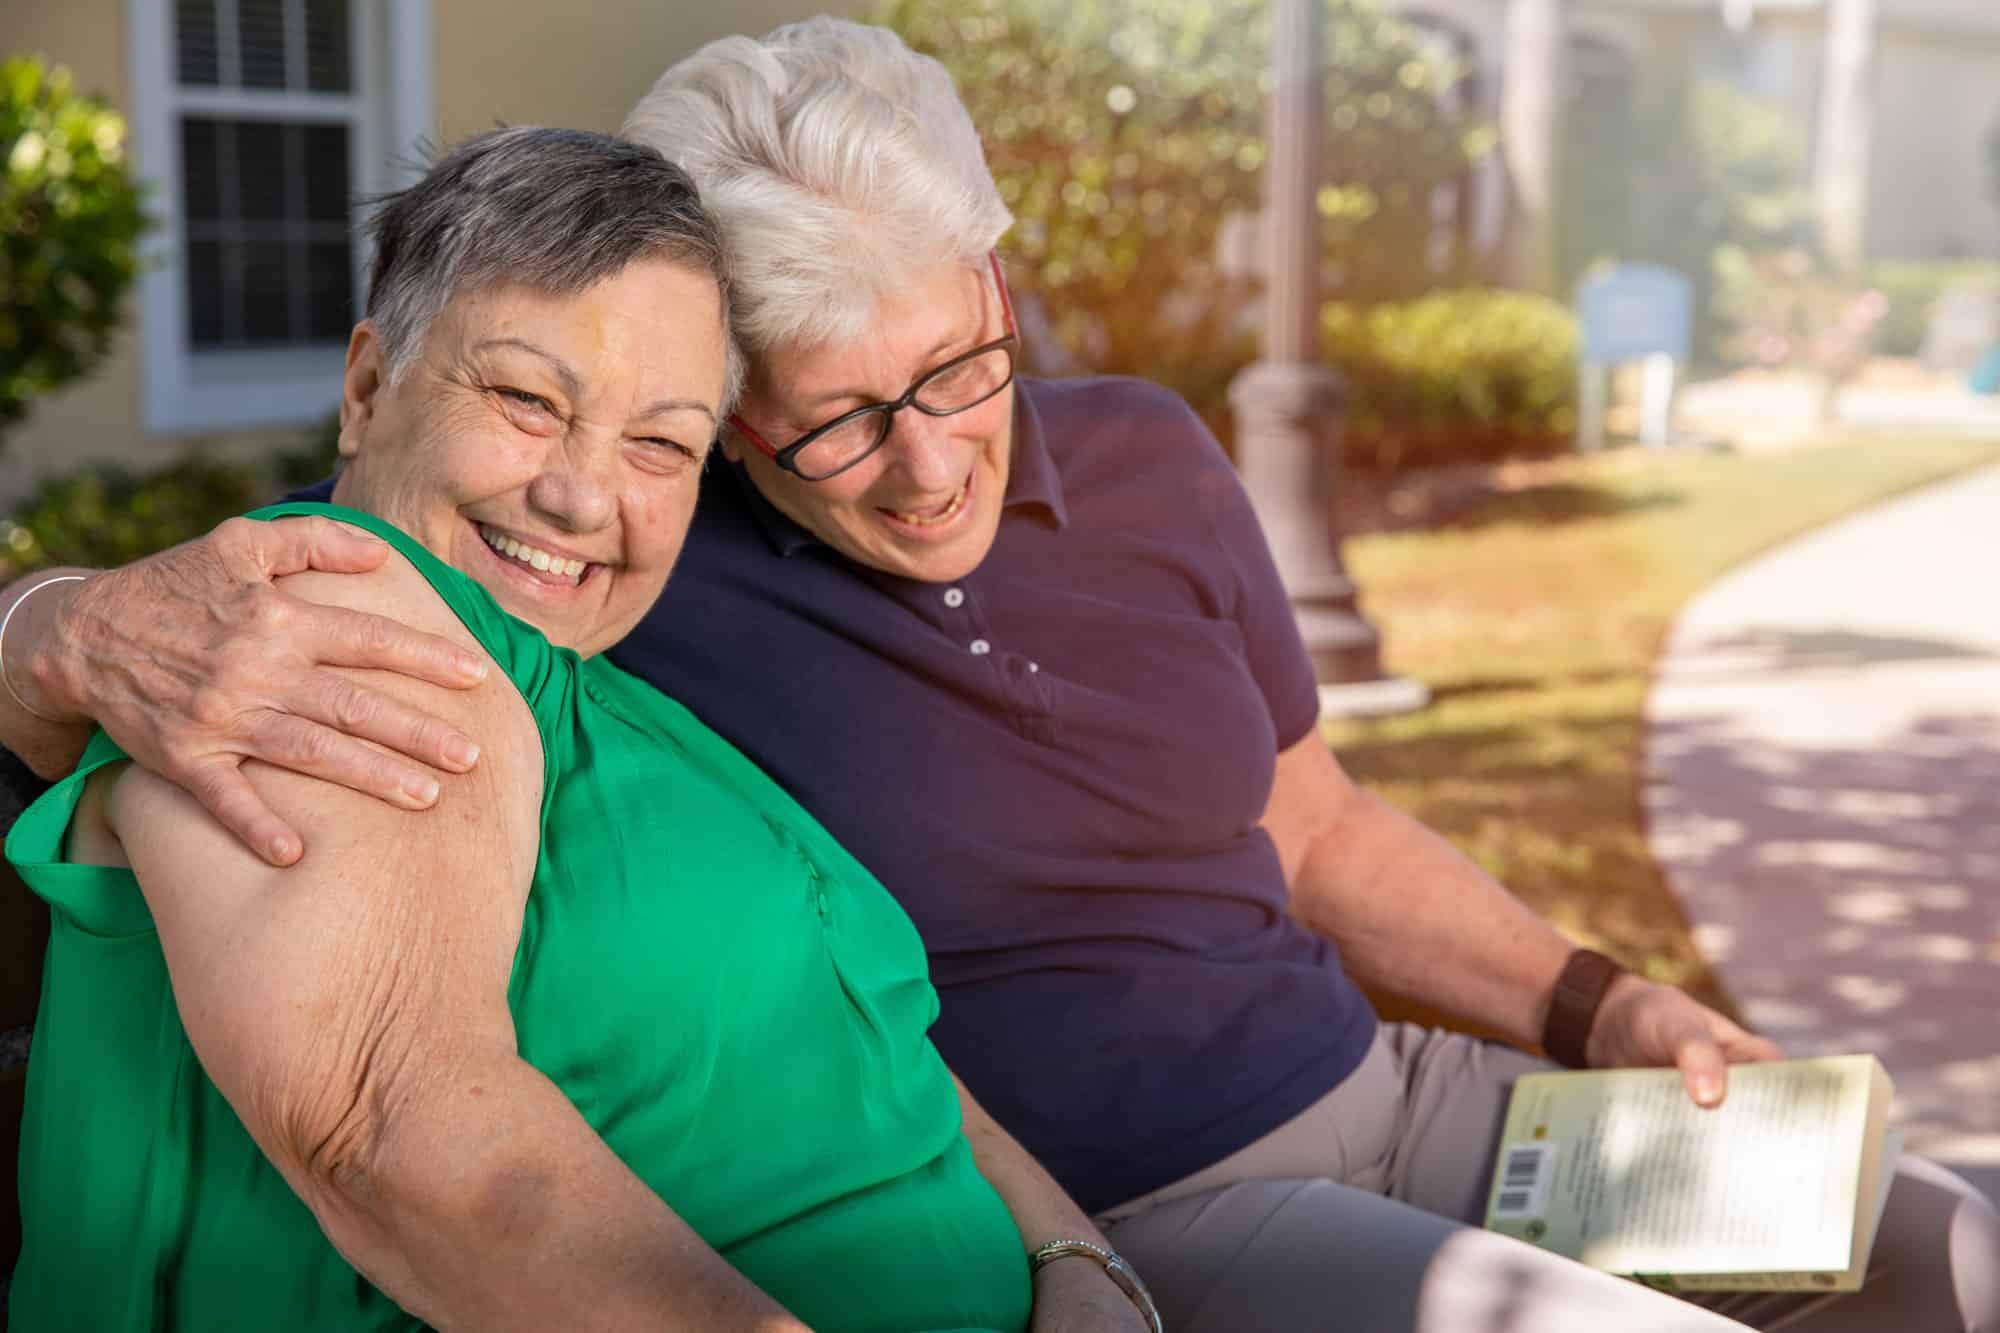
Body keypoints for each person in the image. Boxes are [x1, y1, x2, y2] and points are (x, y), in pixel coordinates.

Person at [5, 19, 1997, 1332]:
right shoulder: (637, 565)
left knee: (1945, 1247)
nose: (939, 455)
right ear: (739, 411)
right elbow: (325, 574)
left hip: (1419, 1090)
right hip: (1190, 1207)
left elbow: (1307, 822)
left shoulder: (1143, 447)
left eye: (964, 364)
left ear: (998, 278)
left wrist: (1599, 998)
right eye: (835, 419)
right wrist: (64, 618)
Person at [1, 126, 1161, 1333]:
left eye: (659, 443)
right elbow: (393, 1129)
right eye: (523, 399)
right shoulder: (333, 641)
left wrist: (1075, 1258)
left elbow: (876, 1048)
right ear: (365, 388)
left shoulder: (621, 698)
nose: (582, 494)